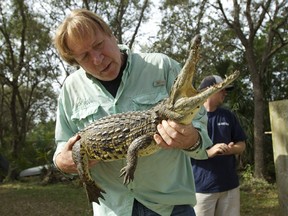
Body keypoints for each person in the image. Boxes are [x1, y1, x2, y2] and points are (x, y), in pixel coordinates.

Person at [53, 9, 212, 216]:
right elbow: (61, 146)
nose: (97, 59)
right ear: (75, 61)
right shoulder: (70, 89)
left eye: (98, 45)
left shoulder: (161, 67)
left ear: (112, 35)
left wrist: (191, 138)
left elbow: (202, 137)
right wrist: (63, 161)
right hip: (111, 209)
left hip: (169, 208)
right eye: (84, 56)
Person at [191, 75, 247, 216]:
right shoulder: (191, 117)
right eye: (222, 89)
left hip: (230, 187)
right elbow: (183, 151)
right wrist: (210, 151)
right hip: (201, 188)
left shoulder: (228, 116)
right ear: (210, 90)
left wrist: (230, 149)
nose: (225, 93)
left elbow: (242, 145)